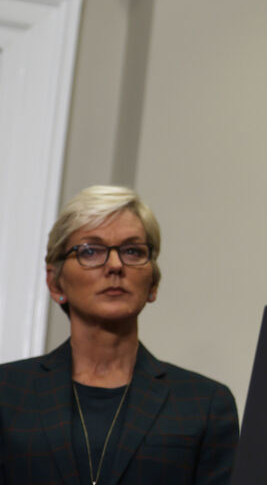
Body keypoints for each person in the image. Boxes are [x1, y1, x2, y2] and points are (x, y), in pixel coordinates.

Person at [0, 186, 239, 485]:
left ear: (153, 284)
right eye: (90, 251)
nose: (115, 266)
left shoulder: (205, 405)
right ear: (55, 282)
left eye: (132, 251)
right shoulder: (7, 393)